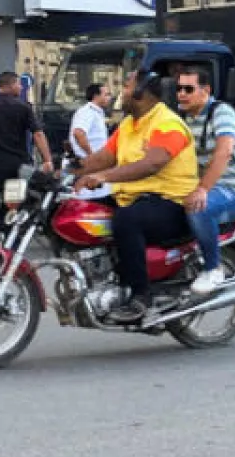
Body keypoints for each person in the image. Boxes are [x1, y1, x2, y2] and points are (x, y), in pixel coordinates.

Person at [75, 70, 199, 322]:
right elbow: (103, 158)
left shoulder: (168, 123)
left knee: (126, 220)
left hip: (170, 201)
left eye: (126, 86)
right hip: (133, 196)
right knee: (81, 210)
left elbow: (152, 164)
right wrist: (62, 171)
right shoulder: (128, 125)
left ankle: (141, 296)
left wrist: (104, 177)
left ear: (141, 91)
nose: (122, 91)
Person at [176, 66, 235, 295]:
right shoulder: (184, 118)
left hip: (233, 191)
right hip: (202, 186)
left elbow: (224, 152)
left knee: (199, 207)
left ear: (205, 90)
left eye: (188, 89)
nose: (181, 94)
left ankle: (213, 268)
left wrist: (202, 190)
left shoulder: (221, 112)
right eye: (179, 88)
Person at [0, 72, 53, 231]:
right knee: (14, 203)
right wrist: (47, 159)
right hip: (19, 166)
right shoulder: (23, 107)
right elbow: (38, 134)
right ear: (10, 85)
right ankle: (12, 234)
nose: (21, 87)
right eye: (18, 84)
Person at [68, 83, 113, 200]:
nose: (110, 97)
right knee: (88, 201)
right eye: (106, 94)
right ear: (96, 96)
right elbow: (78, 133)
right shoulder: (87, 112)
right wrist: (92, 156)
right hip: (89, 165)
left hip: (97, 165)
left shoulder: (96, 113)